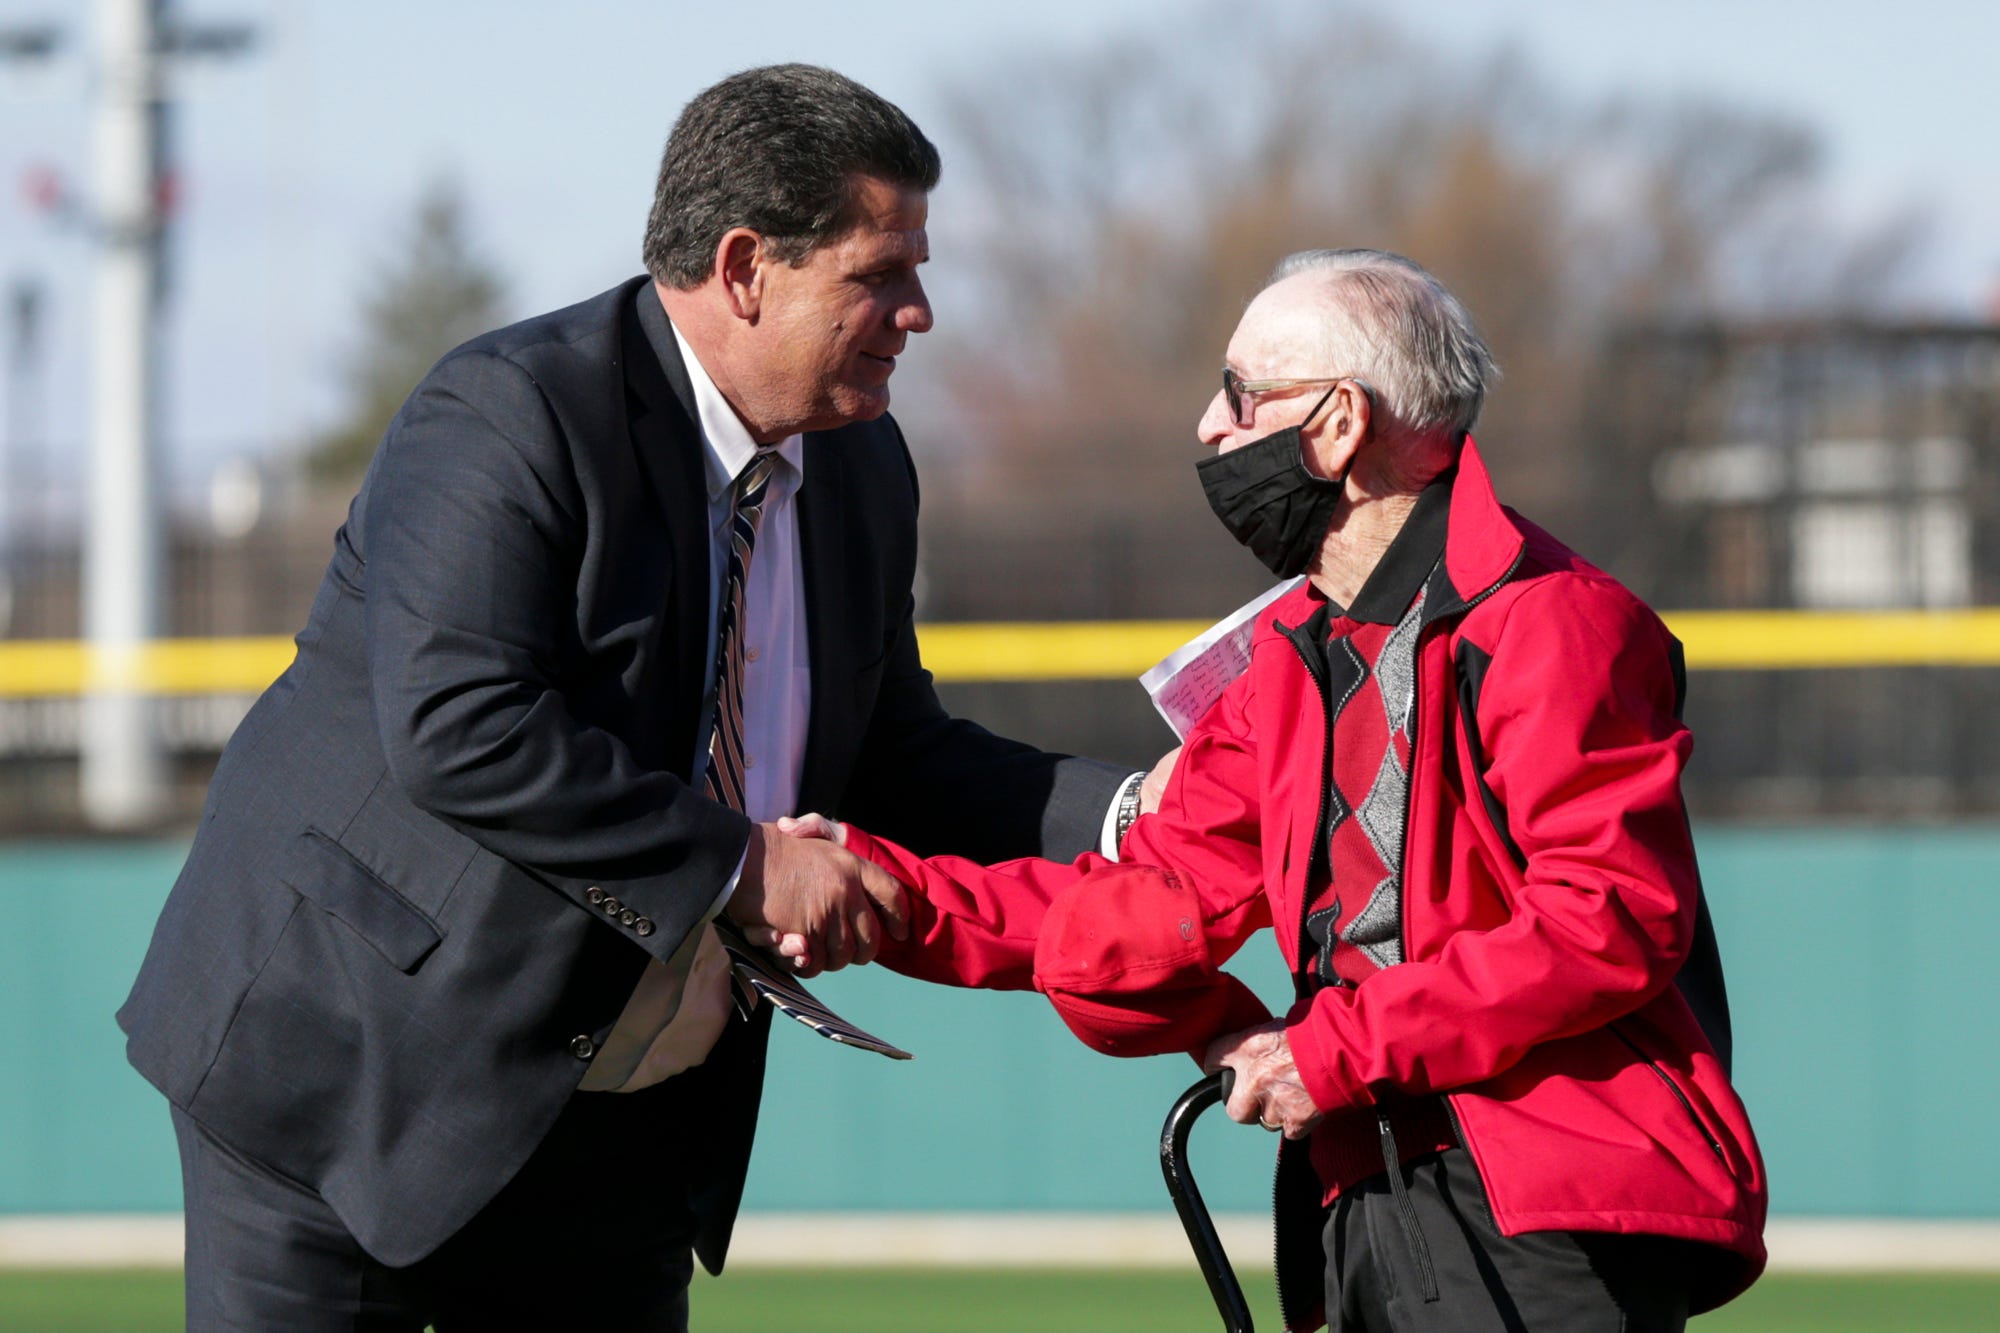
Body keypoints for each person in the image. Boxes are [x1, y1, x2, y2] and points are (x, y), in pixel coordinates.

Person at [117, 64, 1150, 1330]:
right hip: (349, 1083)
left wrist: (1139, 816)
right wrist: (745, 867)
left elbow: (898, 754)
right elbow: (462, 728)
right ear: (744, 267)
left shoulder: (863, 463)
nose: (917, 313)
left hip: (626, 1124)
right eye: (879, 274)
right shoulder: (510, 411)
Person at [790, 250, 1770, 1331]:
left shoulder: (1554, 621)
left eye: (1240, 394)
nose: (1211, 426)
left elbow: (1608, 918)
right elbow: (1145, 898)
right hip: (1367, 1193)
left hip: (1548, 1209)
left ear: (1339, 423)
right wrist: (879, 890)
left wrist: (1327, 1050)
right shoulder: (1291, 654)